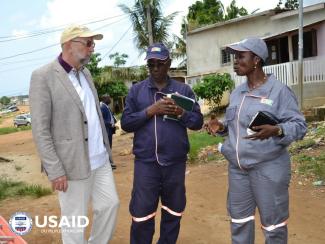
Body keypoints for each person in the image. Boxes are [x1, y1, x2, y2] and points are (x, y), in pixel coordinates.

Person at [206, 37, 307, 244]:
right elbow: (237, 127)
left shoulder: (278, 91)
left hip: (268, 168)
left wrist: (277, 129)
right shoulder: (237, 93)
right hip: (238, 170)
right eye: (234, 57)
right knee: (239, 221)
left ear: (256, 60)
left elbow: (299, 126)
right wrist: (223, 127)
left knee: (273, 227)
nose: (235, 61)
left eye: (240, 56)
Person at [29, 25, 119, 244]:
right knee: (74, 221)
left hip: (100, 160)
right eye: (88, 43)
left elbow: (94, 115)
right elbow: (40, 129)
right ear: (69, 44)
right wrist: (54, 169)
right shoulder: (43, 76)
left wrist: (107, 151)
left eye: (93, 44)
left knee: (110, 205)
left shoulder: (85, 73)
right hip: (71, 165)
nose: (92, 49)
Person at [121, 43, 203, 244]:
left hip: (175, 164)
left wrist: (181, 113)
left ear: (169, 64)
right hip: (146, 164)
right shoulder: (136, 91)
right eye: (151, 64)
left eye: (160, 63)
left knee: (173, 211)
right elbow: (126, 123)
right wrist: (151, 110)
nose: (155, 68)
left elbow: (197, 122)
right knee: (141, 215)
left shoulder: (183, 90)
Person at [100, 94, 118, 170]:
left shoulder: (105, 106)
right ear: (105, 99)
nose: (110, 99)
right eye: (109, 98)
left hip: (109, 130)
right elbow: (101, 119)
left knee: (109, 147)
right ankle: (109, 164)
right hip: (106, 130)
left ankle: (109, 163)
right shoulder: (102, 107)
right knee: (107, 147)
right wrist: (109, 123)